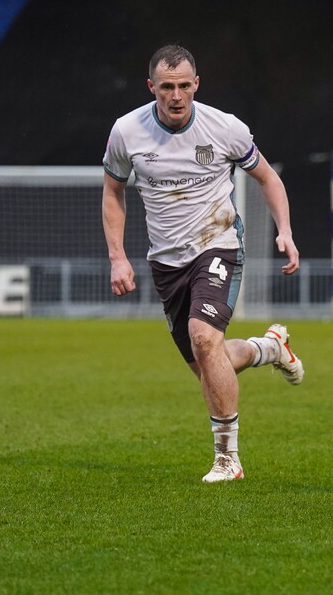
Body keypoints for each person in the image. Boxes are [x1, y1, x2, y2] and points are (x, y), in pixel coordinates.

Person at [102, 45, 304, 483]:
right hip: (166, 261)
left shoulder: (224, 127)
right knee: (208, 362)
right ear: (151, 86)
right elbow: (113, 191)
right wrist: (117, 257)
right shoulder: (127, 131)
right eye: (167, 87)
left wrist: (284, 230)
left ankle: (228, 459)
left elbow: (268, 177)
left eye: (184, 86)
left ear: (197, 84)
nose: (176, 96)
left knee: (204, 338)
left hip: (219, 243)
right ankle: (268, 348)